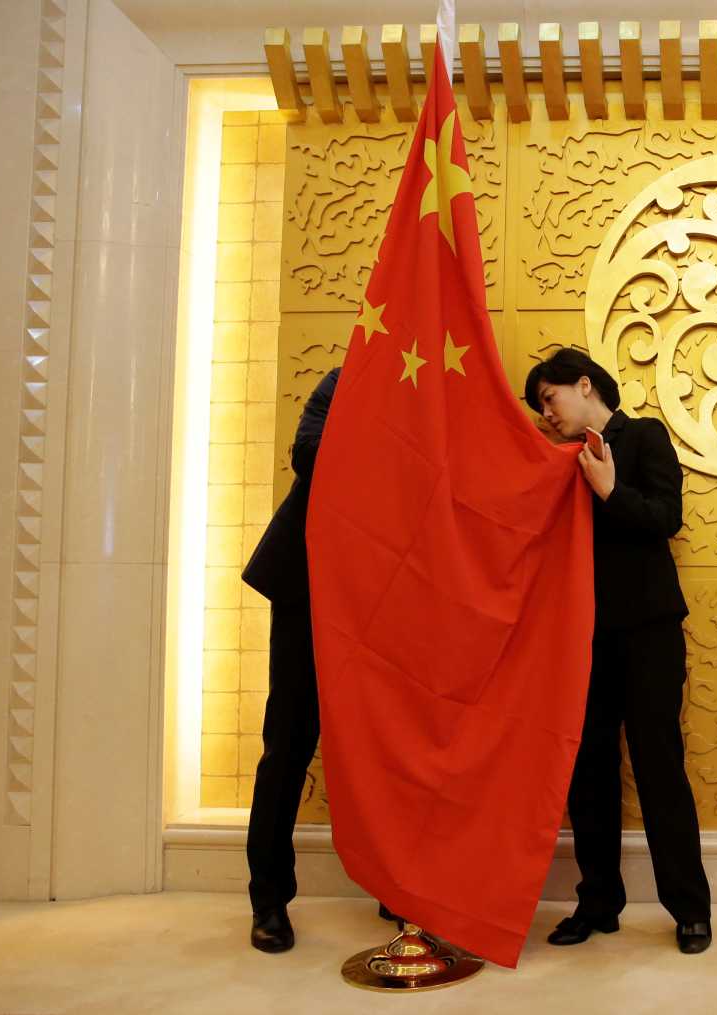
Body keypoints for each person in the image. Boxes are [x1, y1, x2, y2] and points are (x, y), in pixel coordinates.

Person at [525, 348, 713, 955]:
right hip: (579, 637)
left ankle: (689, 910)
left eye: (549, 399)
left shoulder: (645, 436)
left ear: (585, 384)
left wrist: (609, 489)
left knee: (660, 769)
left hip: (649, 633)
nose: (545, 416)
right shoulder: (553, 458)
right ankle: (598, 903)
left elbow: (666, 518)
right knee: (590, 774)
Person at [241, 367, 399, 952]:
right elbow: (307, 453)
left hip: (387, 594)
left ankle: (397, 883)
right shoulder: (347, 381)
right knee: (287, 743)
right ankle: (269, 902)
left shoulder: (442, 390)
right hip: (309, 584)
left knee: (387, 744)